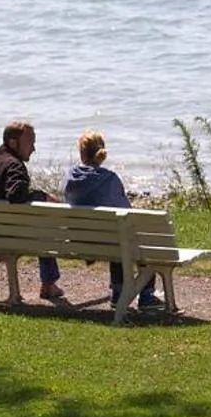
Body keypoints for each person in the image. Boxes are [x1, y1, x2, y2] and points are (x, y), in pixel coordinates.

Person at [0, 120, 66, 303]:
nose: (34, 148)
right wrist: (43, 196)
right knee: (44, 229)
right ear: (13, 143)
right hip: (13, 235)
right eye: (30, 142)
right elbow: (16, 195)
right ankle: (49, 284)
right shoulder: (14, 165)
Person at [64, 129, 157, 310]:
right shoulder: (110, 179)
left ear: (82, 153)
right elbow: (125, 212)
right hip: (110, 240)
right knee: (129, 236)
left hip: (78, 241)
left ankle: (118, 293)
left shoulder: (70, 179)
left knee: (116, 235)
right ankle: (146, 296)